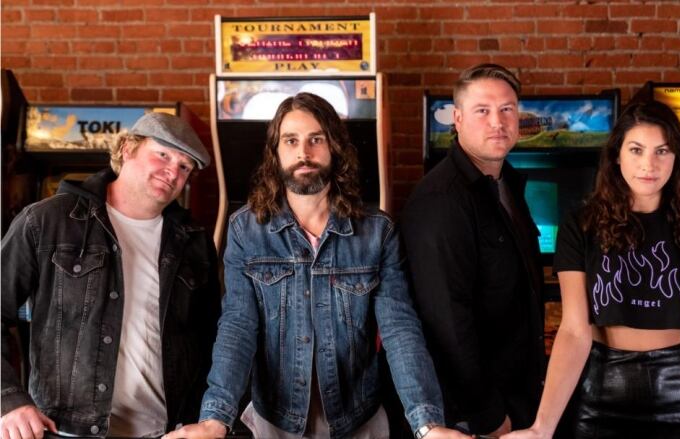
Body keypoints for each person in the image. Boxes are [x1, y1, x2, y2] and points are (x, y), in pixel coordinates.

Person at [163, 93, 469, 439]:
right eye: (291, 141)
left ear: (334, 147)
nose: (303, 153)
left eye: (316, 139)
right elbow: (238, 326)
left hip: (358, 415)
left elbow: (400, 329)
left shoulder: (377, 232)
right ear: (275, 152)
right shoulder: (244, 230)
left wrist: (427, 424)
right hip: (274, 419)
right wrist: (215, 419)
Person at [503, 101, 680, 439]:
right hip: (601, 390)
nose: (649, 164)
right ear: (617, 155)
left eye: (662, 151)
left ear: (676, 157)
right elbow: (574, 331)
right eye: (636, 150)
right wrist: (541, 428)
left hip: (676, 391)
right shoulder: (582, 225)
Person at [1, 112, 222, 438]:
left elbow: (213, 339)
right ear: (128, 149)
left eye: (184, 166)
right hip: (67, 431)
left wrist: (210, 418)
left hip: (167, 431)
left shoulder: (193, 241)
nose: (173, 171)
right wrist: (9, 399)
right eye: (162, 154)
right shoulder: (48, 221)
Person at [401, 63, 546, 437]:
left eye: (507, 109)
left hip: (515, 401)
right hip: (472, 417)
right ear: (459, 119)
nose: (497, 122)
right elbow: (447, 320)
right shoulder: (441, 200)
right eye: (483, 111)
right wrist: (490, 416)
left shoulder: (504, 183)